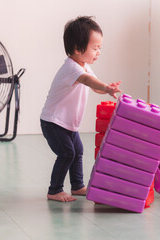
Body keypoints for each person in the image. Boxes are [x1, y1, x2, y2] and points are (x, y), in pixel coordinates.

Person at [40, 16, 122, 202]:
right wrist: (106, 87)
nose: (99, 52)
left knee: (78, 150)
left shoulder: (83, 66)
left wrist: (107, 88)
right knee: (67, 153)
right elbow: (87, 81)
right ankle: (54, 190)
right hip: (53, 122)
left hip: (66, 123)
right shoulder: (72, 68)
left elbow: (94, 86)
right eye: (95, 48)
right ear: (77, 48)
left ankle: (77, 186)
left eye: (100, 47)